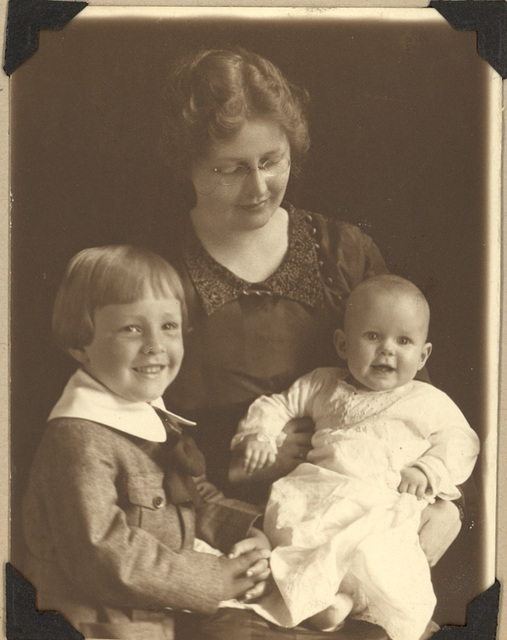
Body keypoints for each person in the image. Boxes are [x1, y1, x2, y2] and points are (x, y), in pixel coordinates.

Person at [21, 245, 272, 640]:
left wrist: (247, 532)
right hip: (92, 624)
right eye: (131, 328)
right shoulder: (78, 439)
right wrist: (213, 581)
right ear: (79, 344)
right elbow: (104, 553)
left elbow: (192, 499)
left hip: (154, 618)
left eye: (169, 326)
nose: (155, 344)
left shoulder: (148, 416)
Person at [230, 275, 480, 640]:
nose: (387, 350)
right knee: (293, 532)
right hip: (317, 493)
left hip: (380, 500)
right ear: (343, 344)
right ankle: (324, 600)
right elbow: (278, 404)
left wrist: (429, 469)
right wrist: (259, 435)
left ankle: (352, 604)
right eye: (373, 336)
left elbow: (463, 442)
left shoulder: (428, 401)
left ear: (423, 355)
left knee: (382, 552)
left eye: (403, 340)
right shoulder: (322, 384)